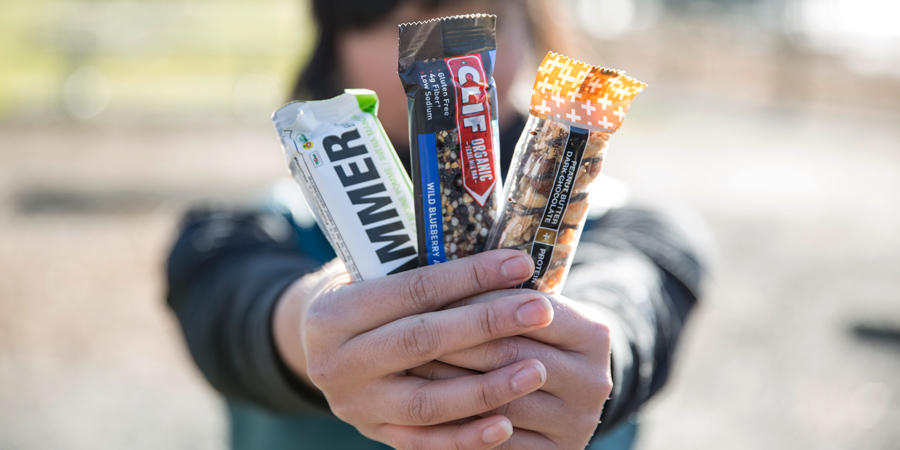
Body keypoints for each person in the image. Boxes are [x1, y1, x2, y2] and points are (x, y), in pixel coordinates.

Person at [165, 0, 712, 448]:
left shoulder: (628, 224)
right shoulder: (256, 228)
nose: (454, 45)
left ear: (533, 21)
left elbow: (634, 297)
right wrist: (311, 324)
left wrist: (576, 353)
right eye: (404, 20)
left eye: (487, 12)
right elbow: (228, 303)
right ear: (334, 43)